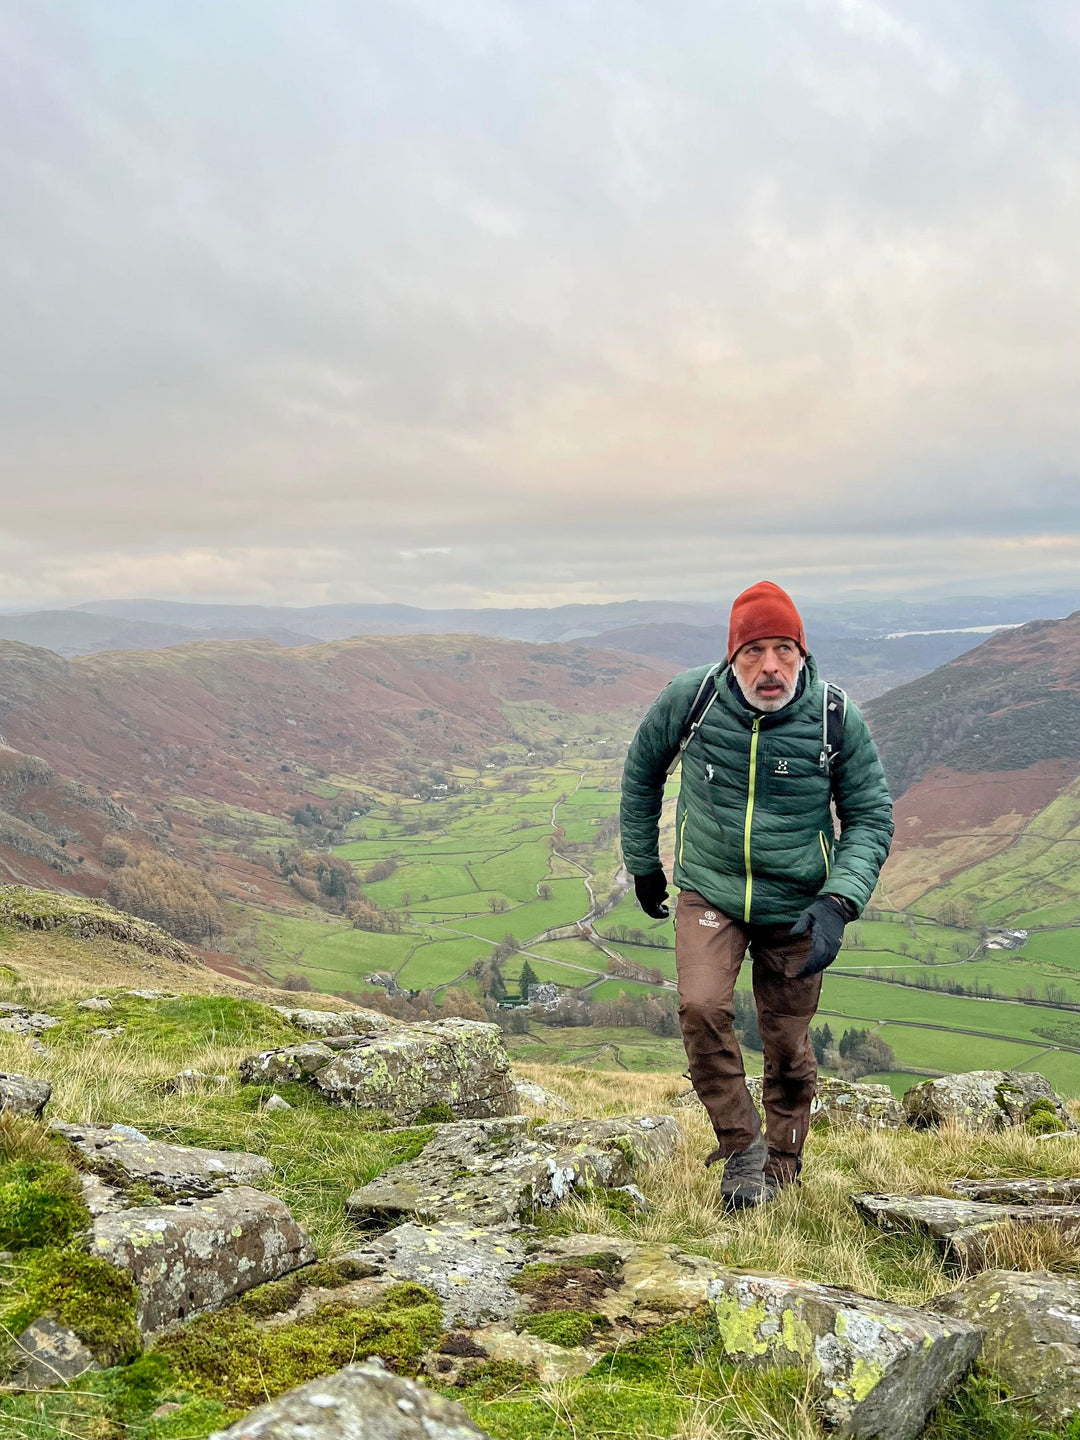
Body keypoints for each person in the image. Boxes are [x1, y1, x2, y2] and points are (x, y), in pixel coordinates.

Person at [620, 581, 893, 1209]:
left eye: (784, 650)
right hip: (710, 888)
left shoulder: (833, 716)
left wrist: (838, 902)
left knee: (787, 1041)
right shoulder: (691, 699)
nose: (769, 667)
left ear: (802, 651)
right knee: (700, 1006)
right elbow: (642, 774)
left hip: (797, 902)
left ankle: (783, 1165)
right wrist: (644, 863)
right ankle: (742, 1151)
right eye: (753, 652)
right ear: (731, 655)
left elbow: (871, 816)